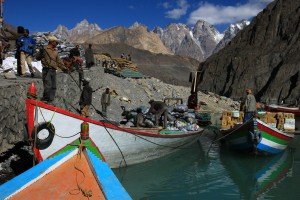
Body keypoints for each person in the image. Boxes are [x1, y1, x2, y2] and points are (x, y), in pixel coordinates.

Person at [40, 35, 67, 103]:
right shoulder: (44, 49)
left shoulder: (55, 51)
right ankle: (45, 99)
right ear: (52, 42)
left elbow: (59, 61)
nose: (57, 44)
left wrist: (64, 68)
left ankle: (51, 100)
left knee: (53, 86)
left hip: (53, 70)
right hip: (47, 70)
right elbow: (37, 57)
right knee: (48, 85)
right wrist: (40, 52)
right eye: (56, 42)